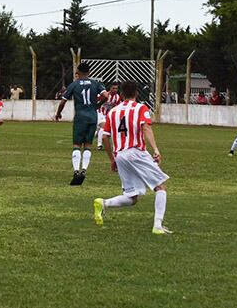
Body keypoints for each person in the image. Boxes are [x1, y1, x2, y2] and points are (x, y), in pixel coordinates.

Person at [92, 80, 172, 235]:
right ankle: (157, 225)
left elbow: (105, 137)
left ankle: (103, 203)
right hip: (136, 152)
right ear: (137, 93)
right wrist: (155, 149)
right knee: (160, 187)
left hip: (121, 155)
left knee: (132, 197)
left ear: (121, 94)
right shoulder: (141, 108)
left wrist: (112, 159)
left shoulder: (113, 112)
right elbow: (146, 127)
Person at [54, 62, 108, 186]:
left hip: (80, 117)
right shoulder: (96, 83)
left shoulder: (74, 84)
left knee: (77, 145)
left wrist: (58, 114)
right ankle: (84, 170)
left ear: (77, 73)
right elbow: (106, 95)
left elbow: (63, 102)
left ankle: (76, 171)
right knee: (88, 145)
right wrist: (97, 105)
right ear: (90, 73)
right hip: (92, 116)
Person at [97, 83, 121, 151]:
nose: (115, 90)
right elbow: (97, 101)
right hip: (100, 113)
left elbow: (117, 107)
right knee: (103, 126)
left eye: (116, 88)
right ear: (110, 88)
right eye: (113, 88)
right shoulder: (104, 95)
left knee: (106, 129)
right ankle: (99, 145)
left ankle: (97, 132)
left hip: (109, 116)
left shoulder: (117, 97)